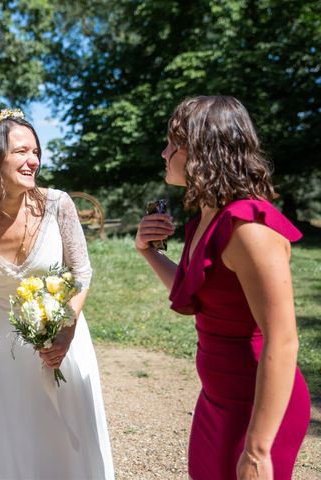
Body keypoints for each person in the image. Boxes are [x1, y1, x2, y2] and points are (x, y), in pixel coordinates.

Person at [0, 108, 115, 479]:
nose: (34, 161)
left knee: (69, 434)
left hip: (64, 333)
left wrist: (66, 333)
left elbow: (81, 272)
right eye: (21, 152)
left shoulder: (58, 204)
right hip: (3, 344)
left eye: (36, 152)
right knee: (16, 438)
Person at [135, 96, 310, 479]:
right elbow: (195, 294)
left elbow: (283, 340)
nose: (164, 153)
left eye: (173, 143)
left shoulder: (249, 228)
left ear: (202, 149)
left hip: (255, 404)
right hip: (215, 398)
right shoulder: (207, 218)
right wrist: (148, 253)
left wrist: (258, 448)